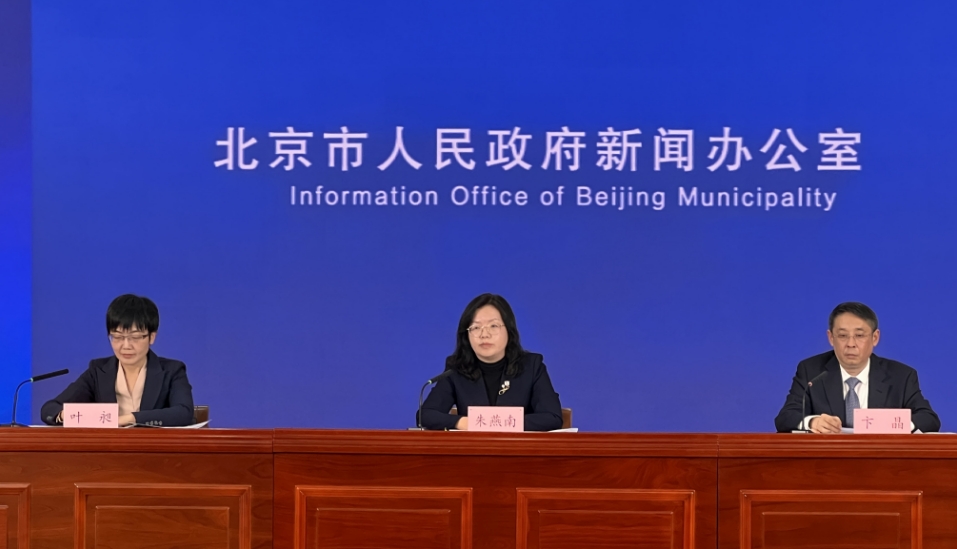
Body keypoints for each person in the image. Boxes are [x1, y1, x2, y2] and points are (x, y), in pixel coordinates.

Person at [774, 302, 939, 433]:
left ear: (875, 338)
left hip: (880, 460)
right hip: (828, 460)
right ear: (831, 338)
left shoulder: (901, 376)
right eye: (842, 335)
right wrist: (813, 422)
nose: (851, 344)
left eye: (859, 335)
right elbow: (785, 417)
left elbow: (929, 419)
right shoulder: (811, 371)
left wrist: (893, 424)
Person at [41, 294, 195, 427]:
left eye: (135, 337)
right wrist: (67, 415)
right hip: (108, 449)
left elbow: (184, 412)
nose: (126, 345)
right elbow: (50, 408)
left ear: (151, 337)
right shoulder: (98, 371)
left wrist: (129, 419)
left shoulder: (172, 371)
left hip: (155, 450)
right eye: (118, 337)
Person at [420, 293, 563, 431]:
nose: (484, 334)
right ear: (467, 335)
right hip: (474, 447)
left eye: (493, 326)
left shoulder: (531, 366)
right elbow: (425, 415)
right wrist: (463, 422)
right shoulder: (456, 369)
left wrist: (499, 423)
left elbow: (552, 417)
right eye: (476, 327)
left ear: (509, 330)